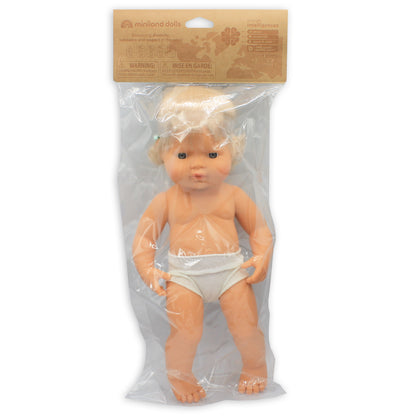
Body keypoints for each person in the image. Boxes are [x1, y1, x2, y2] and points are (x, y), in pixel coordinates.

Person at [132, 86, 273, 403]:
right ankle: (180, 377)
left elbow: (260, 229)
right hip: (184, 276)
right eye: (183, 155)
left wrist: (263, 254)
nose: (198, 166)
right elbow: (144, 239)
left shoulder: (233, 195)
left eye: (212, 154)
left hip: (231, 272)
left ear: (231, 152)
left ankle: (255, 366)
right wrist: (147, 269)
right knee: (185, 332)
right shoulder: (166, 200)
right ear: (163, 154)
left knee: (246, 327)